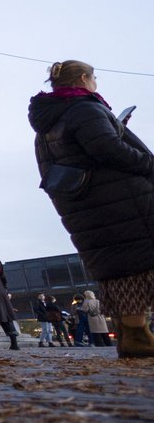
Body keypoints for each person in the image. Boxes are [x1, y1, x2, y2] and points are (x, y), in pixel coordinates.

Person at [29, 59, 154, 359]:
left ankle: (133, 334)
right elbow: (106, 148)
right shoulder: (83, 108)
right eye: (94, 77)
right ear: (84, 78)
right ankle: (135, 334)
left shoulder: (47, 123)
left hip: (89, 209)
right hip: (121, 201)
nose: (96, 82)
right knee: (138, 264)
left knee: (122, 269)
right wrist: (148, 163)